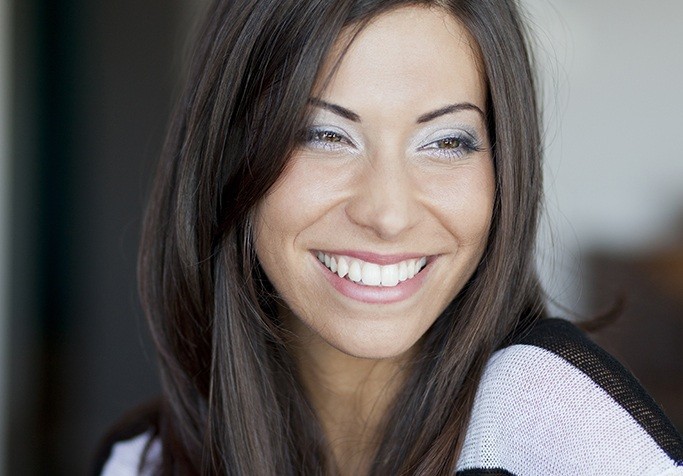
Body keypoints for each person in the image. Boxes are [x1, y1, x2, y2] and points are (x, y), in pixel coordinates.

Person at [94, 0, 683, 474]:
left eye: (447, 142)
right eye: (325, 135)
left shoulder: (544, 422)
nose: (388, 213)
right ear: (229, 156)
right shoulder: (143, 461)